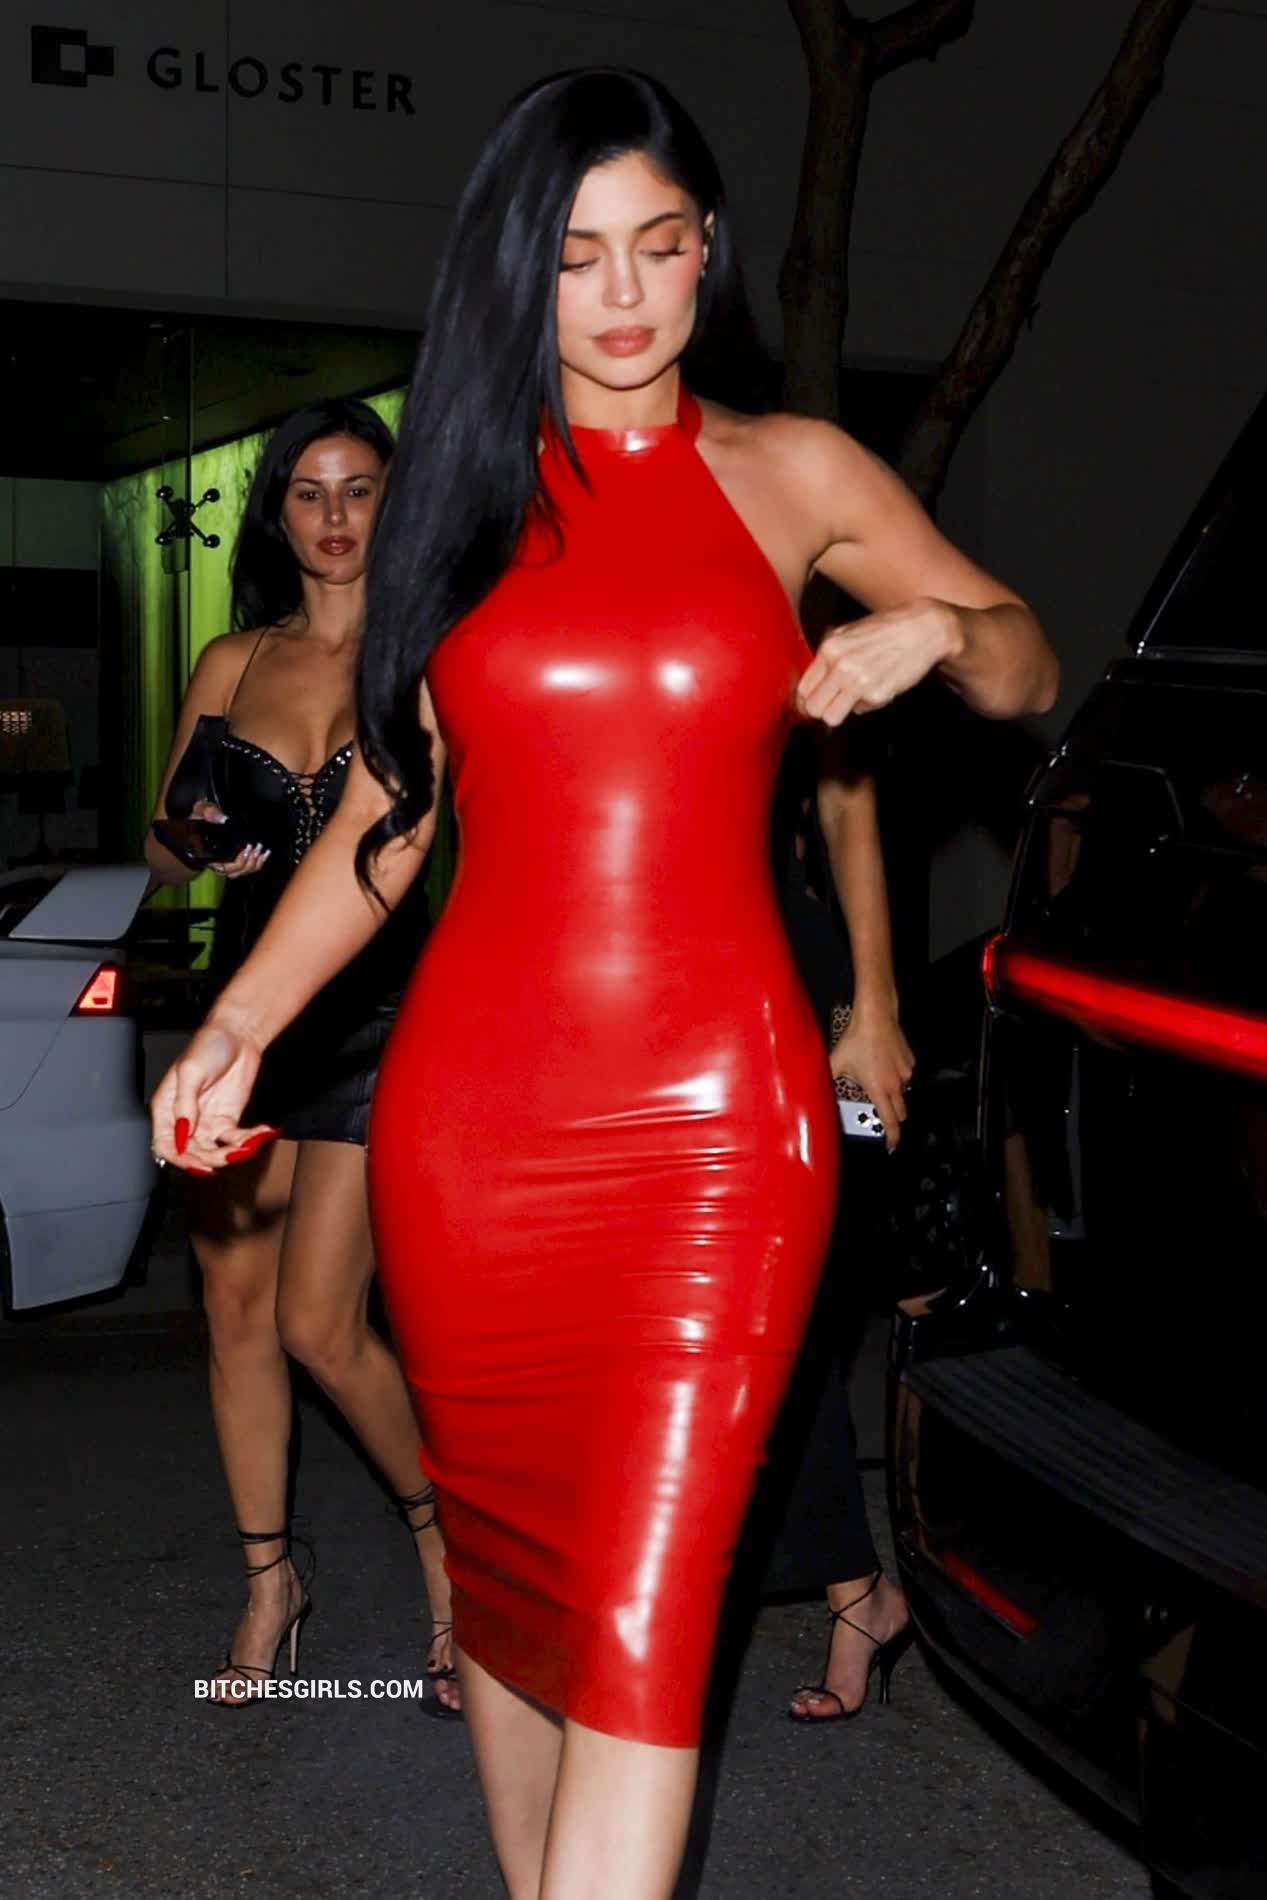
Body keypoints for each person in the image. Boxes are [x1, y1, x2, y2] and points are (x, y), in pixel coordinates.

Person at [150, 69, 1058, 1897]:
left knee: (641, 1619)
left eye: (657, 245)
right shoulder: (455, 502)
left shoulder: (793, 472)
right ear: (519, 271)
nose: (624, 293)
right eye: (575, 257)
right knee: (507, 1589)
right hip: (468, 1133)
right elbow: (393, 811)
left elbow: (1028, 664)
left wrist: (933, 628)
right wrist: (241, 1022)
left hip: (719, 1138)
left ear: (709, 249)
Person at [145, 400, 458, 1713]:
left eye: (359, 489)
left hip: (383, 1015)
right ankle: (271, 1582)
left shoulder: (431, 659)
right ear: (276, 513)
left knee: (323, 1323)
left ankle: (447, 1547)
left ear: (396, 501)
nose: (334, 516)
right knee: (232, 1310)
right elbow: (163, 843)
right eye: (309, 492)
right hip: (250, 1015)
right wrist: (201, 838)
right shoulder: (233, 658)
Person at [763, 722, 916, 1722]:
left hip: (781, 975)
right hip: (633, 991)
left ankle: (856, 1593)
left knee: (779, 1304)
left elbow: (846, 802)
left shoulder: (792, 636)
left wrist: (873, 1007)